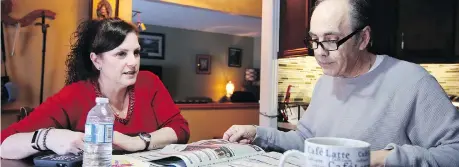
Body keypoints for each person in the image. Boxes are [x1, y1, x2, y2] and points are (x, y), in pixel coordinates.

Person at [223, 0, 459, 166]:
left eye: (331, 40)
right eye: (314, 40)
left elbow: (454, 153)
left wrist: (378, 159)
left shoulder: (412, 81)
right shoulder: (325, 82)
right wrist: (258, 134)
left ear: (363, 38)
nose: (319, 52)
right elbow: (305, 140)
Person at [0, 18, 190, 159]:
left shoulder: (149, 82)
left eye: (136, 52)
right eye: (121, 54)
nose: (133, 62)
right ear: (96, 60)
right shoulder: (74, 95)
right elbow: (4, 143)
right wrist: (49, 137)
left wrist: (135, 142)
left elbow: (180, 129)